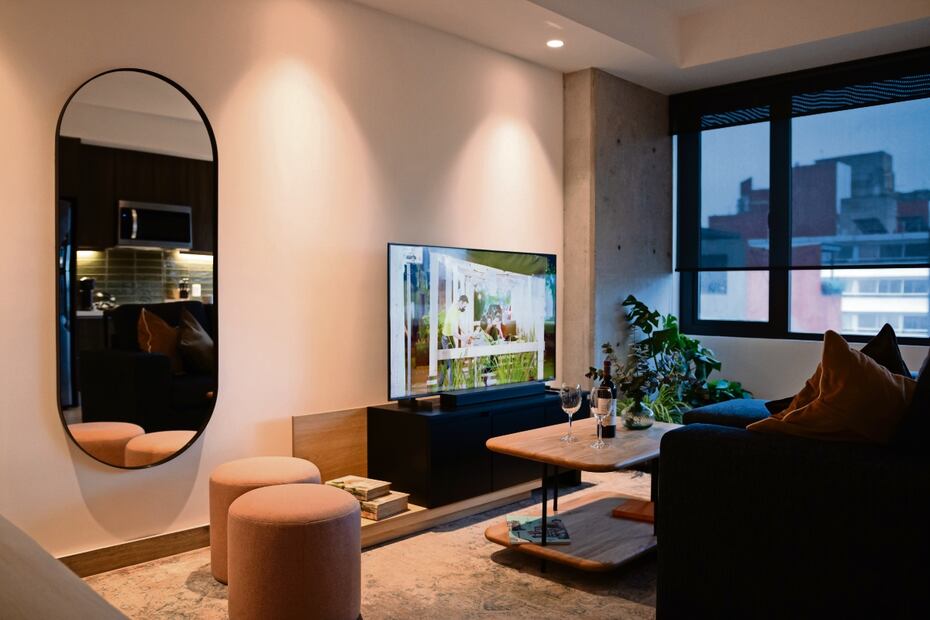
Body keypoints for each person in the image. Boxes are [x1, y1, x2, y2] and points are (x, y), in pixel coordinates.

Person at [439, 294, 469, 388]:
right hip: (446, 339)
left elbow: (459, 323)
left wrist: (467, 333)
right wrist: (463, 338)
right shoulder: (453, 311)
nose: (464, 308)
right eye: (464, 306)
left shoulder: (457, 308)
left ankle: (440, 385)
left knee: (447, 364)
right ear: (461, 302)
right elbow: (454, 332)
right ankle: (452, 388)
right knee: (451, 364)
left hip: (449, 338)